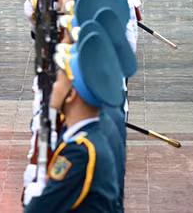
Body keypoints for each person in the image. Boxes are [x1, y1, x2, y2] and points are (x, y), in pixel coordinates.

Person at [23, 34, 122, 212]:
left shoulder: (80, 151)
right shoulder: (95, 131)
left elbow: (41, 208)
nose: (53, 86)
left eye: (59, 80)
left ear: (71, 95)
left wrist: (34, 194)